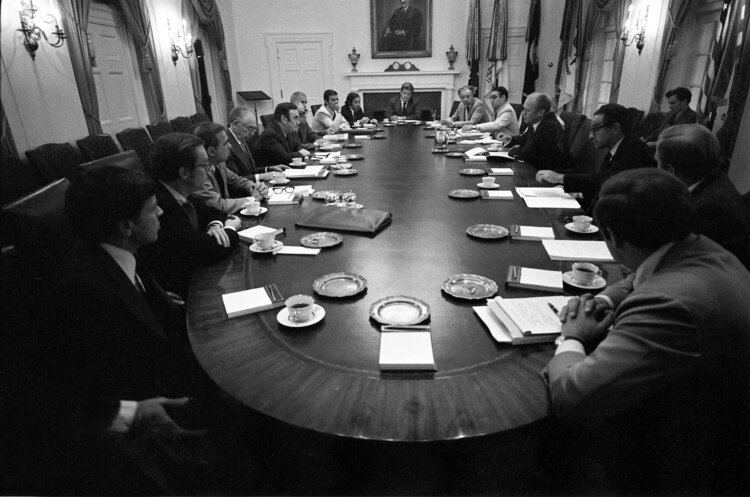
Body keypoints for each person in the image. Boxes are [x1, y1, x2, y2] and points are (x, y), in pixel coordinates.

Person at [545, 168, 750, 495]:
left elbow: (573, 400)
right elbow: (640, 274)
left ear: (612, 236)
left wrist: (572, 336)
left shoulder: (666, 307)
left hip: (687, 458)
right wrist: (602, 299)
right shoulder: (699, 245)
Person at [49, 166, 218, 493]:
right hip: (137, 429)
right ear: (126, 225)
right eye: (153, 208)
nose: (161, 212)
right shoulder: (83, 292)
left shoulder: (124, 252)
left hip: (169, 380)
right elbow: (70, 401)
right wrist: (135, 415)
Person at [141, 133, 241, 297]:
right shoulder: (161, 206)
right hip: (185, 292)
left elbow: (212, 213)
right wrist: (230, 228)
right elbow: (205, 251)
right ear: (185, 173)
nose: (209, 170)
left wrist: (215, 225)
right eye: (204, 165)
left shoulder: (183, 192)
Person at [656, 124, 750, 268]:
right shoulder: (716, 180)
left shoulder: (708, 210)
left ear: (670, 170)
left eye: (657, 163)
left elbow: (676, 266)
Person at [536, 103, 655, 211]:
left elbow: (607, 182)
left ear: (615, 128)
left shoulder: (634, 151)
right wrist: (579, 194)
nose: (591, 135)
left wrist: (560, 178)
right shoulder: (619, 147)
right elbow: (600, 180)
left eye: (596, 129)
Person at [190, 122, 269, 215]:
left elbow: (237, 180)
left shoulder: (219, 163)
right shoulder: (200, 174)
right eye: (226, 143)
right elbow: (218, 205)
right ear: (211, 151)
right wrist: (252, 199)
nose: (230, 146)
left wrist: (255, 188)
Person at [496, 92, 566, 170]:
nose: (523, 113)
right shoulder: (537, 121)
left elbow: (527, 153)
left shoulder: (549, 126)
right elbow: (525, 139)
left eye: (527, 110)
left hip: (548, 174)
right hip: (535, 168)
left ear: (541, 112)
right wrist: (510, 139)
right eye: (523, 109)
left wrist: (507, 151)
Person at [253, 103, 312, 168]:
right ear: (284, 119)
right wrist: (301, 153)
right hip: (271, 175)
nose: (298, 122)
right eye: (295, 118)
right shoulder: (270, 135)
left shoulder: (287, 130)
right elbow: (284, 158)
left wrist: (301, 152)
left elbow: (297, 147)